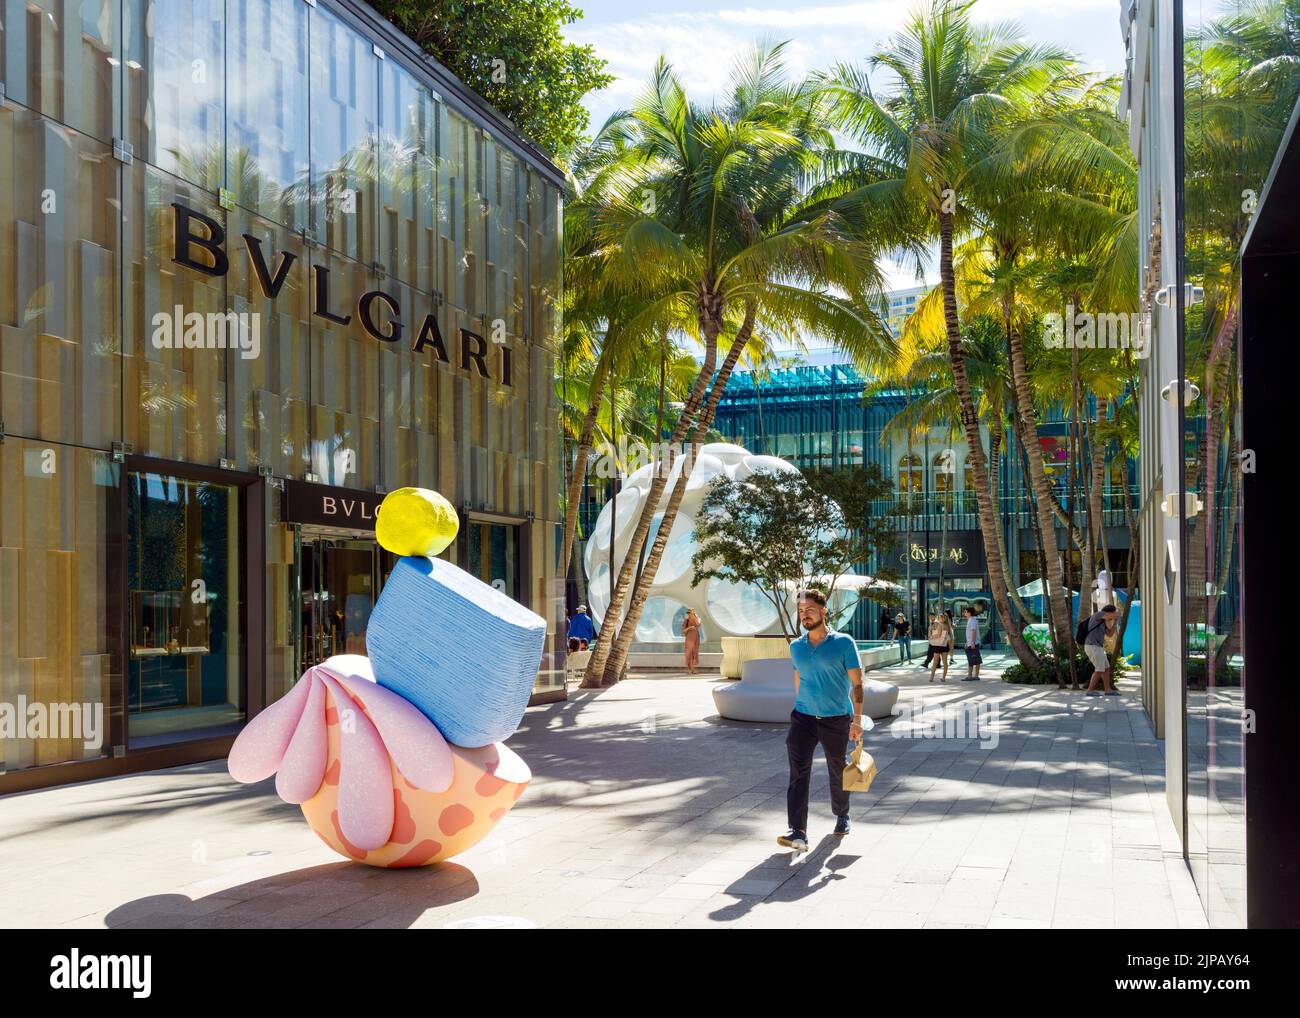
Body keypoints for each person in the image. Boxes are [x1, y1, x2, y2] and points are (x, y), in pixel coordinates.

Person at [778, 589, 865, 853]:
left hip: (836, 718)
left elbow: (857, 683)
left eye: (810, 610)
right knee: (798, 772)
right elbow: (798, 679)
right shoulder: (796, 647)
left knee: (837, 769)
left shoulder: (843, 642)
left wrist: (857, 720)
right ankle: (798, 831)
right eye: (801, 612)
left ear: (823, 611)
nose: (804, 615)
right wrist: (799, 706)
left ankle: (842, 814)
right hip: (803, 718)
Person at [1082, 604, 1120, 696]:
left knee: (1106, 668)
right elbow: (1110, 616)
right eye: (1114, 612)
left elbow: (1110, 634)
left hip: (1098, 647)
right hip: (1092, 646)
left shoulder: (1102, 622)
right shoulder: (1098, 614)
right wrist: (1115, 615)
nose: (1116, 614)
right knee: (1099, 669)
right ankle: (1090, 690)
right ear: (1109, 612)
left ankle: (1107, 690)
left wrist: (1115, 622)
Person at [927, 609, 952, 684]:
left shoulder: (940, 625)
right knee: (945, 663)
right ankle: (943, 678)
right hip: (945, 645)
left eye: (939, 617)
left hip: (938, 645)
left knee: (935, 662)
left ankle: (932, 677)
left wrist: (931, 637)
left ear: (942, 618)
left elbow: (938, 635)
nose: (938, 618)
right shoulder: (948, 625)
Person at [961, 605, 982, 680]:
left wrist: (972, 642)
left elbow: (973, 631)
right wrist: (968, 642)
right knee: (975, 659)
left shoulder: (972, 620)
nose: (964, 613)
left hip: (973, 643)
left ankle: (970, 676)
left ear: (969, 613)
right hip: (972, 642)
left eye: (966, 612)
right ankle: (975, 676)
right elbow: (970, 633)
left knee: (972, 659)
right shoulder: (972, 620)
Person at [682, 608, 702, 674]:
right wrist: (690, 627)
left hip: (696, 637)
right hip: (689, 637)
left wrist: (696, 617)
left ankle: (693, 669)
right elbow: (683, 631)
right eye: (688, 613)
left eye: (690, 613)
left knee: (694, 653)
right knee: (689, 653)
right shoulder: (686, 621)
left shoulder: (697, 619)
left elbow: (698, 624)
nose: (689, 614)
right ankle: (690, 670)